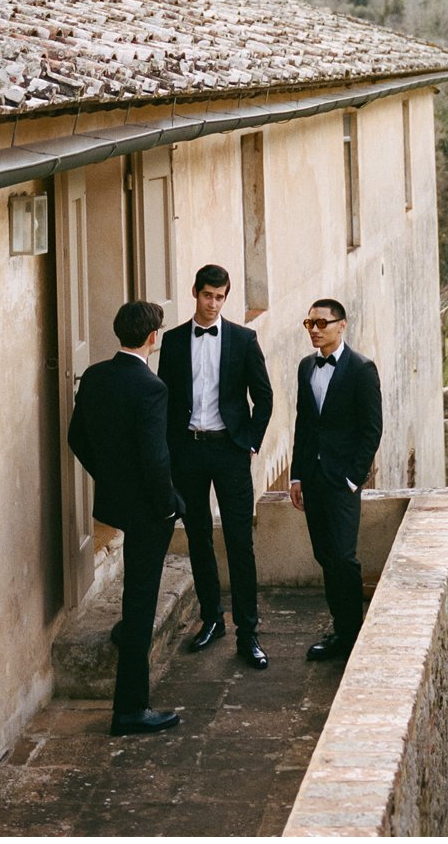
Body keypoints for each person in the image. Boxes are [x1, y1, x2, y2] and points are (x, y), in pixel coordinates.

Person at [67, 300, 183, 735]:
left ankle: (125, 634)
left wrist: (111, 478)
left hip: (116, 503)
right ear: (153, 337)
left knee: (135, 599)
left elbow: (77, 437)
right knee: (141, 601)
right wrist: (168, 505)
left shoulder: (96, 376)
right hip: (149, 509)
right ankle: (130, 710)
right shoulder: (152, 387)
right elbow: (155, 459)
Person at [156, 264, 273, 670]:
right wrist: (169, 451)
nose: (213, 303)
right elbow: (165, 401)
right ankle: (211, 620)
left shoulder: (243, 339)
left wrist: (251, 443)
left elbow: (264, 396)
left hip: (229, 450)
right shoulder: (171, 342)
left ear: (226, 297)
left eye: (220, 297)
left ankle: (248, 632)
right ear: (195, 293)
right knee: (199, 538)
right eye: (207, 295)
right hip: (188, 451)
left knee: (240, 541)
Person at [288, 299, 383, 662]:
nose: (314, 329)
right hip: (312, 478)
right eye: (309, 322)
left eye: (321, 323)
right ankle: (341, 629)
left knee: (344, 558)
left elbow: (371, 429)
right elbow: (304, 423)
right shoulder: (304, 367)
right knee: (325, 555)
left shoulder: (361, 369)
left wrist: (353, 479)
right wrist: (297, 475)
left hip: (341, 481)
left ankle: (350, 634)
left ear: (341, 326)